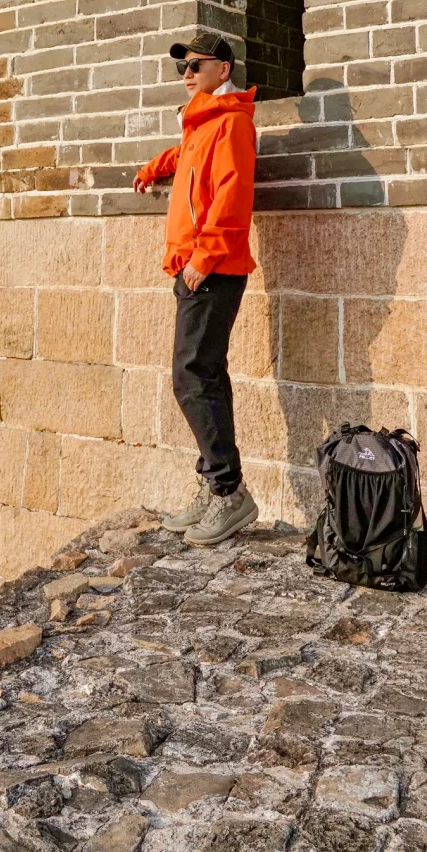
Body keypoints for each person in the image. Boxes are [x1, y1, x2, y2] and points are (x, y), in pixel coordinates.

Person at [133, 29, 259, 546]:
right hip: (194, 264)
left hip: (211, 268)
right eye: (182, 69)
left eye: (196, 67)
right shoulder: (203, 126)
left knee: (191, 377)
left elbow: (232, 196)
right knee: (201, 374)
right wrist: (154, 168)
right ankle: (213, 487)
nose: (186, 76)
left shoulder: (230, 125)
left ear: (223, 70)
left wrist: (203, 259)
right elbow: (187, 160)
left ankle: (229, 494)